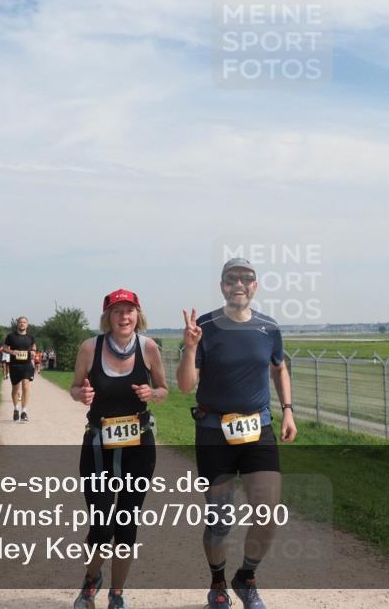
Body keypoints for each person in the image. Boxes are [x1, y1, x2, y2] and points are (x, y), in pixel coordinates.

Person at [178, 258, 297, 609]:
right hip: (214, 431)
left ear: (256, 286)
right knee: (220, 520)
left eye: (246, 279)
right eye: (232, 279)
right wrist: (190, 348)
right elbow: (186, 386)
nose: (239, 285)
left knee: (269, 513)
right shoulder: (204, 326)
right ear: (222, 286)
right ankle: (217, 582)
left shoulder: (269, 328)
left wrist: (288, 410)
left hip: (258, 428)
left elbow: (280, 368)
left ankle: (246, 578)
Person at [69, 289, 168, 609]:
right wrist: (80, 395)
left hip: (139, 446)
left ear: (138, 314)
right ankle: (91, 579)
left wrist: (151, 394)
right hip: (98, 445)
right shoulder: (90, 348)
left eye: (129, 310)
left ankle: (116, 593)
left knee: (126, 522)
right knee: (101, 522)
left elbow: (165, 390)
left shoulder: (149, 347)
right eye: (117, 311)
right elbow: (75, 386)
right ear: (107, 317)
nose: (124, 317)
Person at [2, 316, 36, 422]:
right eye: (20, 322)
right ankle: (16, 409)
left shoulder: (30, 337)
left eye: (24, 322)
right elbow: (4, 348)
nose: (22, 324)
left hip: (27, 365)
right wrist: (12, 352)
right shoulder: (11, 336)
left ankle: (24, 411)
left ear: (27, 324)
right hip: (15, 365)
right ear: (17, 324)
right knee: (15, 389)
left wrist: (34, 352)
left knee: (26, 386)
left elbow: (34, 346)